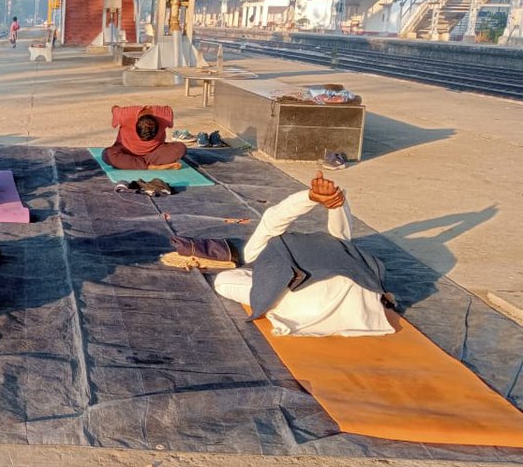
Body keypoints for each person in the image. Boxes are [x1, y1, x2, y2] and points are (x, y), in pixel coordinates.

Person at [213, 172, 394, 337]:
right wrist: (335, 202)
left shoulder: (256, 253)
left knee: (222, 280)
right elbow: (342, 234)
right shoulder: (334, 245)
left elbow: (272, 220)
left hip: (303, 308)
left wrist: (310, 198)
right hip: (359, 302)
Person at [102, 105, 187, 170]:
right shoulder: (125, 114)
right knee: (108, 154)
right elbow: (114, 108)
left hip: (153, 153)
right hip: (126, 151)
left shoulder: (165, 114)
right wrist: (116, 110)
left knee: (181, 148)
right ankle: (151, 166)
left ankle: (134, 164)